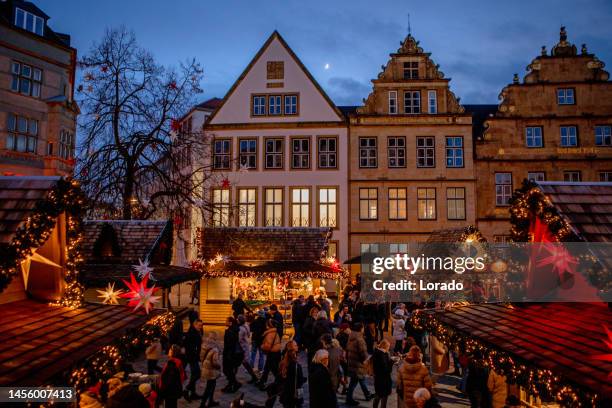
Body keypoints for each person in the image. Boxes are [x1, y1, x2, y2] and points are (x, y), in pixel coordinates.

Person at [345, 322, 373, 405]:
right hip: (358, 364)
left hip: (352, 362)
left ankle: (367, 394)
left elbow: (347, 348)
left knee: (360, 379)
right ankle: (349, 399)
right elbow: (363, 353)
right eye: (363, 328)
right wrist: (367, 359)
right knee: (355, 381)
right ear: (361, 329)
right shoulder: (360, 339)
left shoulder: (351, 336)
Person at [278, 341, 306, 408]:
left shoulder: (283, 362)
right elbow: (300, 381)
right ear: (292, 349)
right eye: (296, 345)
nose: (297, 346)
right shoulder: (296, 366)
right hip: (293, 395)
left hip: (285, 394)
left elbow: (280, 378)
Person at [257, 318, 282, 389]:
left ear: (268, 326)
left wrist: (262, 346)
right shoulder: (276, 332)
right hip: (277, 352)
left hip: (272, 353)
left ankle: (280, 382)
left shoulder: (269, 334)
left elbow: (267, 346)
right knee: (268, 368)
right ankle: (262, 381)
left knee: (273, 369)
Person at [184, 318, 203, 401]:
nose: (200, 327)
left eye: (201, 325)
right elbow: (189, 346)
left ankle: (193, 393)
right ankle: (186, 390)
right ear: (194, 324)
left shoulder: (196, 331)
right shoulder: (192, 333)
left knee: (194, 374)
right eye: (199, 325)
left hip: (194, 356)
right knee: (197, 374)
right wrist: (196, 354)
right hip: (192, 357)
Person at [200, 332, 221, 408]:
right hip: (212, 370)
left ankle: (211, 401)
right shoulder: (215, 349)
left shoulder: (204, 345)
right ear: (215, 338)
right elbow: (215, 362)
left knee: (211, 385)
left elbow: (201, 357)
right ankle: (203, 404)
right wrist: (219, 366)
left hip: (205, 368)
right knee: (209, 387)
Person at [222, 316, 242, 393]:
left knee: (227, 370)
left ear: (230, 323)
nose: (225, 322)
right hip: (233, 354)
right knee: (230, 370)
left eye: (226, 321)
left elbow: (228, 344)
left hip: (229, 354)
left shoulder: (229, 331)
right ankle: (230, 385)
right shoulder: (235, 329)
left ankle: (235, 384)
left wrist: (226, 354)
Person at [237, 314, 259, 383]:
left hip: (242, 348)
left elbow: (238, 339)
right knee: (245, 363)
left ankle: (232, 380)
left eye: (238, 319)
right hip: (245, 346)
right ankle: (254, 377)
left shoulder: (241, 329)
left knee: (242, 363)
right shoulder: (246, 325)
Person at [372, 339, 393, 408]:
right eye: (388, 347)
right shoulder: (383, 355)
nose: (389, 349)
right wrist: (392, 362)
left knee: (377, 394)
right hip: (384, 379)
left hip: (377, 378)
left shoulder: (376, 352)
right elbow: (386, 369)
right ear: (385, 347)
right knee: (384, 396)